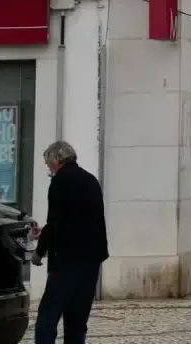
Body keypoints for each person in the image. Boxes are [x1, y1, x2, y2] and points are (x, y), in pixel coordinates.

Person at [32, 141, 109, 343]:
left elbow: (55, 222)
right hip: (91, 260)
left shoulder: (60, 182)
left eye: (48, 163)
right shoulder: (91, 180)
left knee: (48, 317)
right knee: (77, 319)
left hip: (67, 260)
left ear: (57, 160)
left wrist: (39, 252)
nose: (48, 168)